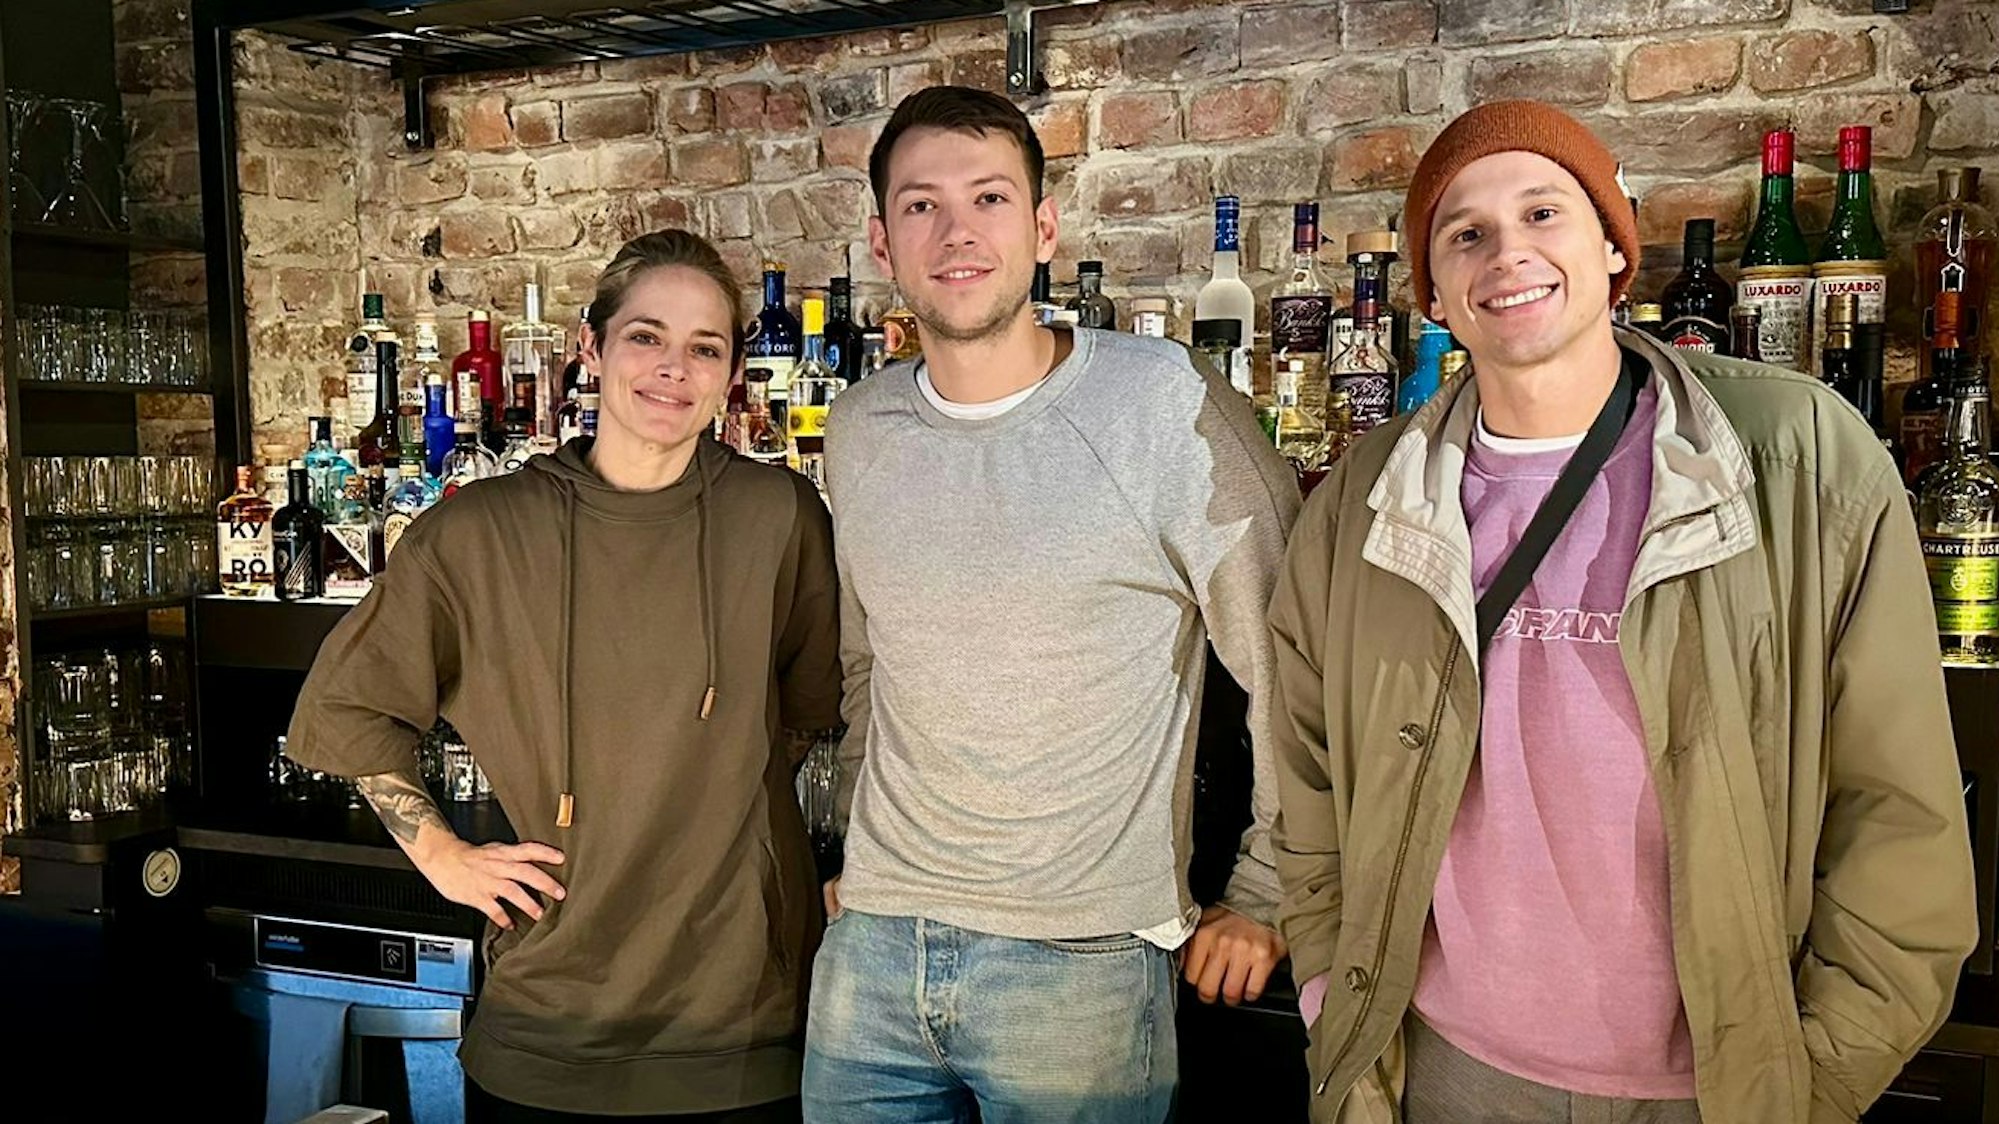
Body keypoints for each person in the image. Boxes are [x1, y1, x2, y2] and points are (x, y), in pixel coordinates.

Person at [1267, 98, 1978, 1124]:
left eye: (1542, 213)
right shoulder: (1361, 502)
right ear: (1433, 296)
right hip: (1443, 1066)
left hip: (1720, 1085)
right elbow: (1307, 771)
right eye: (1465, 234)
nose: (1507, 253)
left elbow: (1899, 806)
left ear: (1612, 249)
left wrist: (1816, 1074)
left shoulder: (1801, 456)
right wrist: (1331, 990)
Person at [801, 85, 1301, 1124]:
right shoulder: (858, 426)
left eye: (988, 198)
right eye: (921, 205)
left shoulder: (1161, 400)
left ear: (1042, 228)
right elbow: (867, 665)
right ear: (881, 241)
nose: (956, 232)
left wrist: (1266, 887)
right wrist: (855, 853)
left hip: (1082, 958)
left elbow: (1291, 663)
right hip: (873, 950)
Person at [284, 229, 843, 1123]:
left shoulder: (780, 515)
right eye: (645, 337)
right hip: (548, 1017)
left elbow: (807, 712)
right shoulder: (479, 532)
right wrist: (442, 855)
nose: (674, 368)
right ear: (591, 346)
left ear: (734, 373)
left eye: (705, 348)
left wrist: (719, 808)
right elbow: (348, 707)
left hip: (745, 1019)